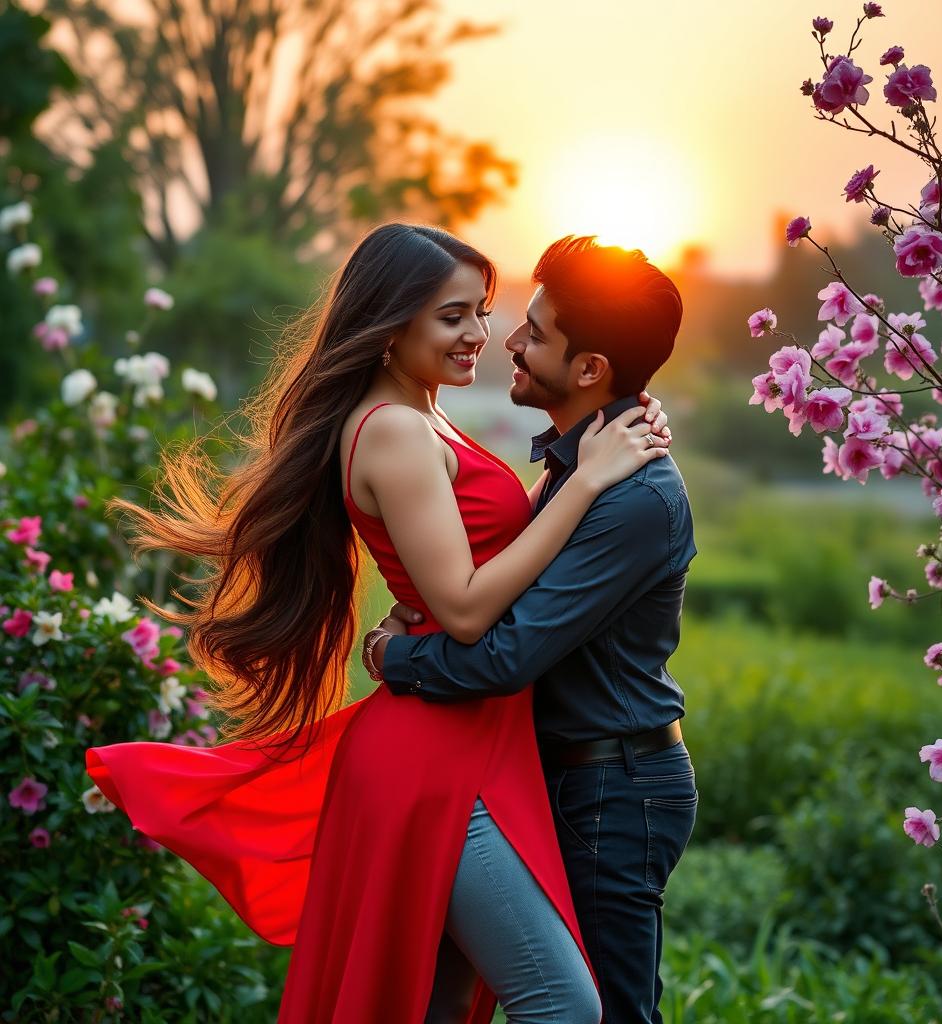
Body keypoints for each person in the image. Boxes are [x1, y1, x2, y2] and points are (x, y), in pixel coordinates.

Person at [84, 223, 674, 1023]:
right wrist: (581, 486)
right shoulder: (394, 429)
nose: (482, 335)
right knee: (565, 1006)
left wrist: (605, 438)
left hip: (476, 746)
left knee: (438, 1003)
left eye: (484, 313)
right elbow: (467, 610)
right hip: (438, 759)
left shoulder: (424, 416)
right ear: (392, 327)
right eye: (454, 316)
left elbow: (469, 572)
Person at [364, 235, 697, 1024]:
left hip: (612, 787)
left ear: (591, 370)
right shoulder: (581, 464)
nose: (507, 339)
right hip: (561, 774)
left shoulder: (630, 494)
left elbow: (507, 651)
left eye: (535, 332)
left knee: (604, 1012)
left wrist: (395, 657)